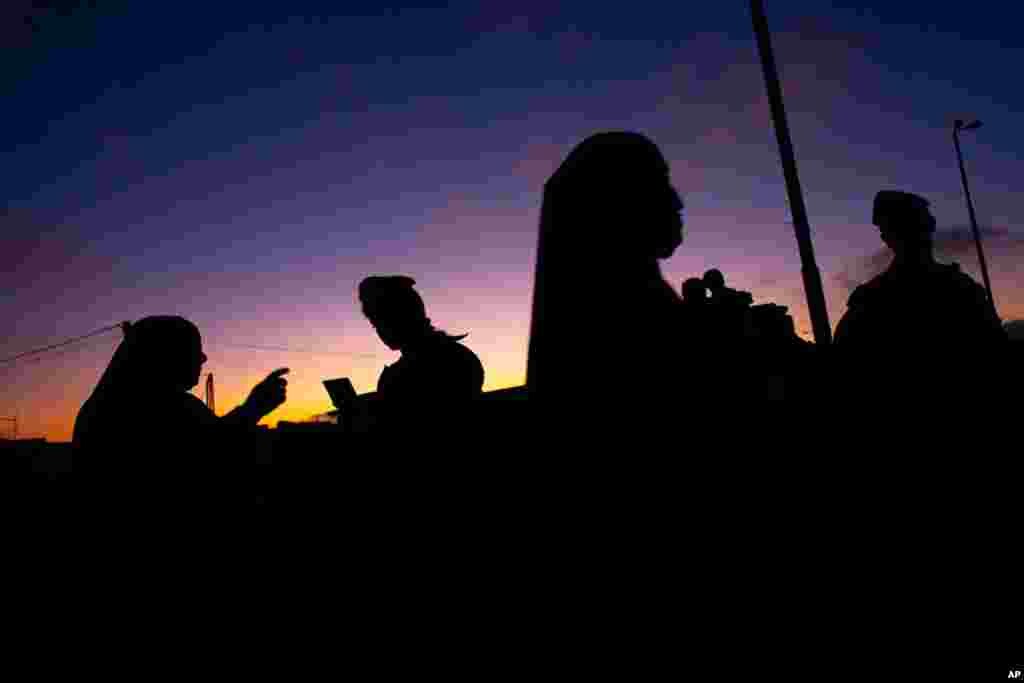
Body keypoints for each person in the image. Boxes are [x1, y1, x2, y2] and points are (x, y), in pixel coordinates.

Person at [73, 316, 288, 506]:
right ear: (166, 354)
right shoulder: (165, 407)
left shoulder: (101, 407)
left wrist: (252, 409)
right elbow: (216, 450)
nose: (203, 358)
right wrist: (253, 409)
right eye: (193, 349)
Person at [833, 190, 1007, 409]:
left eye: (920, 223)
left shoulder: (962, 288)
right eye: (908, 224)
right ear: (887, 236)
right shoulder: (870, 299)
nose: (919, 231)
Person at [358, 276, 484, 436]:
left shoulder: (400, 376)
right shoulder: (458, 355)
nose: (378, 331)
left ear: (399, 319)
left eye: (378, 322)